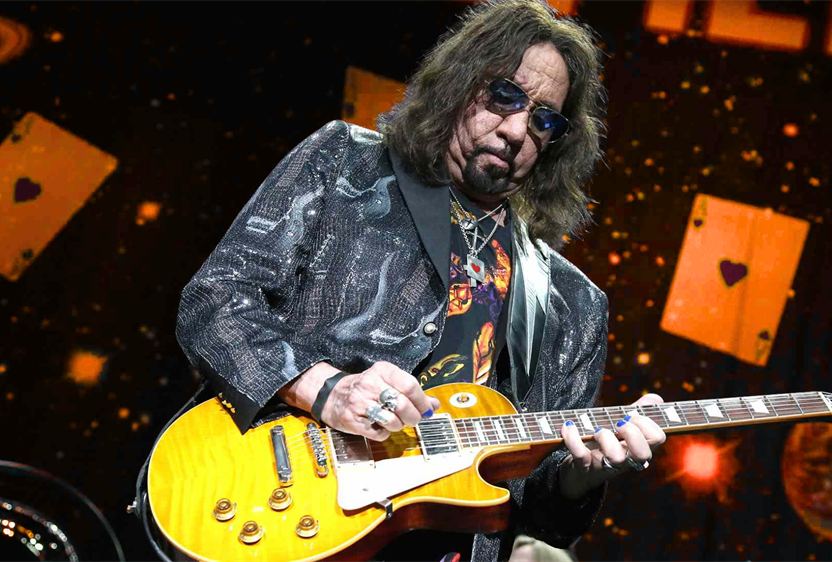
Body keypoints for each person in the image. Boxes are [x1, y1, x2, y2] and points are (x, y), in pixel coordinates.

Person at [175, 1, 666, 561]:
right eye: (505, 95)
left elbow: (538, 513)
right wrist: (325, 389)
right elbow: (214, 300)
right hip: (276, 506)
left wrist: (583, 474)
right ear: (460, 82)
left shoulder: (573, 304)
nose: (515, 130)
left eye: (543, 120)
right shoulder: (345, 164)